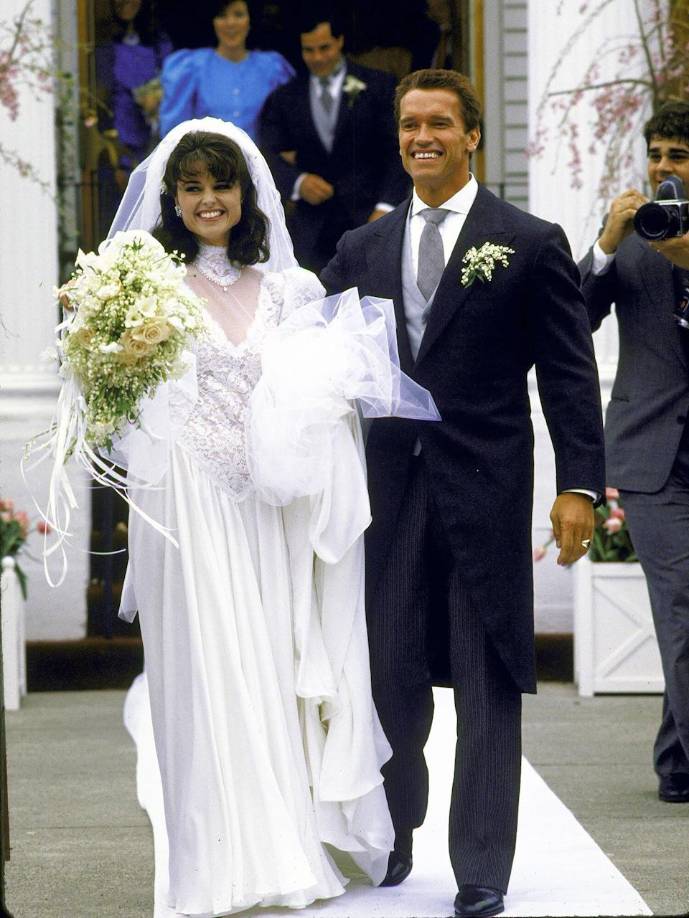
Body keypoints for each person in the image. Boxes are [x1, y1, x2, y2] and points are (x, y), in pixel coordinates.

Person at [105, 117, 425, 915]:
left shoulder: (293, 290)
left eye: (221, 185)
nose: (207, 200)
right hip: (187, 503)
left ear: (246, 195)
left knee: (277, 666)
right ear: (172, 201)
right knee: (210, 669)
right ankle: (219, 860)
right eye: (192, 188)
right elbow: (115, 406)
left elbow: (324, 400)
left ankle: (289, 843)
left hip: (271, 509)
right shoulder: (142, 288)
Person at [321, 68, 606, 918]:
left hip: (485, 488)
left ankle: (482, 864)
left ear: (471, 135)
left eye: (439, 124)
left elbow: (567, 374)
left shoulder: (526, 239)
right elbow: (319, 363)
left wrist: (578, 487)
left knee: (487, 680)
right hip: (389, 494)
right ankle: (394, 833)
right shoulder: (358, 250)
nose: (421, 139)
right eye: (410, 125)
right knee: (390, 672)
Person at [579, 100, 689, 807]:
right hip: (653, 455)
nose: (662, 168)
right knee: (682, 607)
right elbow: (571, 319)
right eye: (655, 154)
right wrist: (605, 243)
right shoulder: (633, 233)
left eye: (676, 155)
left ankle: (675, 762)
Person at [259, 7, 409, 273]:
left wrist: (386, 207)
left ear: (340, 41)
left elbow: (397, 152)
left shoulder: (378, 86)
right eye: (309, 50)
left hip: (369, 220)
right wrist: (298, 182)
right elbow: (264, 153)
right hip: (310, 232)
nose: (317, 58)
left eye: (324, 48)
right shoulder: (286, 97)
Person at [158, 0, 294, 141]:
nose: (230, 23)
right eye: (222, 16)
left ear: (250, 19)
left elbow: (289, 124)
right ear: (212, 21)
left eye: (238, 15)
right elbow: (175, 133)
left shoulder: (273, 66)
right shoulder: (191, 66)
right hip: (207, 160)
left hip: (263, 160)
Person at [96, 0, 173, 184]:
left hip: (154, 130)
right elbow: (100, 91)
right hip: (118, 134)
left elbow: (171, 83)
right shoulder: (104, 41)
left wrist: (156, 99)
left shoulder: (159, 41)